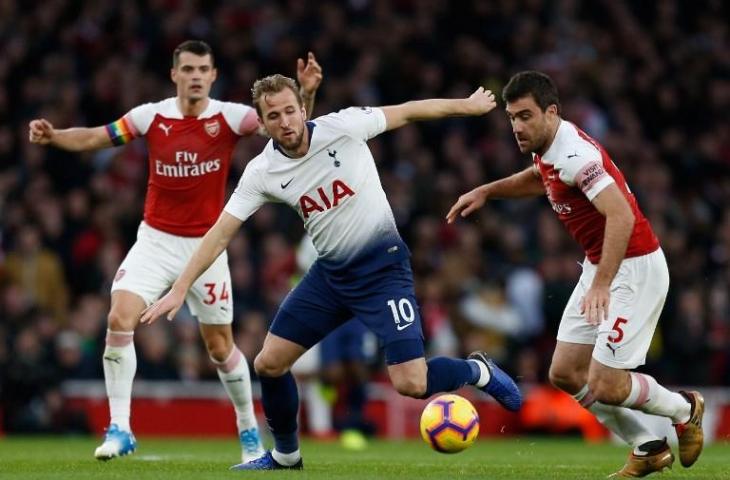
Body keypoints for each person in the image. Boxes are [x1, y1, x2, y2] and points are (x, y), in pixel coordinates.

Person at [140, 74, 523, 470]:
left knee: (412, 383)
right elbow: (220, 232)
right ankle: (286, 456)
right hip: (331, 277)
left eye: (291, 111)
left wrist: (467, 105)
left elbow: (408, 112)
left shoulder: (343, 127)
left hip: (383, 270)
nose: (285, 121)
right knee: (269, 363)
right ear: (263, 123)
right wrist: (179, 286)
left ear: (303, 109)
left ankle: (478, 370)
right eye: (274, 115)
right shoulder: (262, 171)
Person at [27, 40, 323, 462]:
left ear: (214, 74)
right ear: (175, 75)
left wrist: (306, 92)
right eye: (188, 69)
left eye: (203, 68)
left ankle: (248, 432)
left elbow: (289, 129)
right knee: (118, 317)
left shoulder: (231, 117)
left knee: (221, 348)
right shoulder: (151, 116)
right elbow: (98, 136)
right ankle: (120, 428)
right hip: (155, 240)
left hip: (206, 247)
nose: (196, 75)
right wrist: (55, 136)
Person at [447, 71, 704, 478]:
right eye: (512, 117)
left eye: (526, 116)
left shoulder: (575, 155)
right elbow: (540, 179)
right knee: (564, 372)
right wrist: (488, 191)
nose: (517, 126)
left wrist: (601, 283)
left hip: (633, 268)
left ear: (552, 112)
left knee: (607, 385)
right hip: (601, 264)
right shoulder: (549, 149)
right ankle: (648, 447)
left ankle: (684, 408)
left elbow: (619, 214)